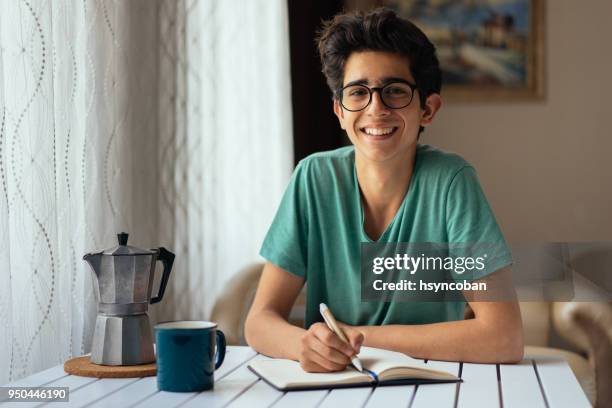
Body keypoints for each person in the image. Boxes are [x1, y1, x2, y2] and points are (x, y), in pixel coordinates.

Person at [245, 7, 523, 373]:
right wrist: (305, 345)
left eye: (394, 91)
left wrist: (356, 337)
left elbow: (505, 336)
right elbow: (259, 321)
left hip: (432, 386)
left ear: (428, 109)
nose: (376, 108)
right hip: (333, 386)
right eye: (358, 92)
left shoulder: (452, 181)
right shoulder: (313, 179)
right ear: (339, 110)